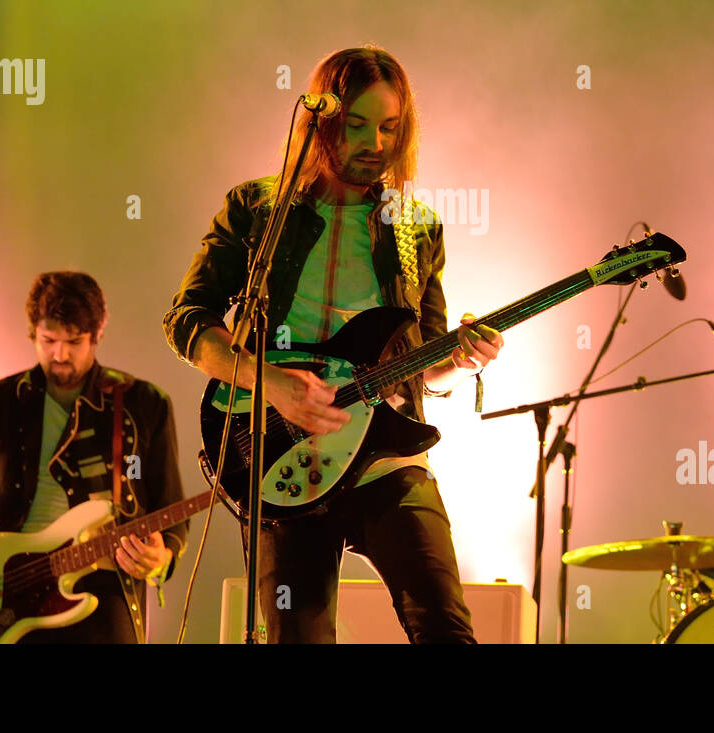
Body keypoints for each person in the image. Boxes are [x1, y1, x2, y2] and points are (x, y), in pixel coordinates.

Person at [163, 45, 502, 643]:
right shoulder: (256, 209)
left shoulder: (415, 225)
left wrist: (458, 357)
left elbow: (426, 370)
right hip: (278, 455)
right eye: (358, 125)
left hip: (388, 456)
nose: (377, 143)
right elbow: (187, 321)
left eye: (391, 128)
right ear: (322, 123)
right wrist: (269, 383)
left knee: (446, 629)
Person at [0, 271, 189, 643]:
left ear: (98, 334)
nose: (60, 355)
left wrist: (162, 557)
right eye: (48, 339)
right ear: (31, 332)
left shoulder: (143, 403)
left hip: (103, 582)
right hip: (14, 588)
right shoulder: (0, 402)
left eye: (75, 341)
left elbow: (170, 507)